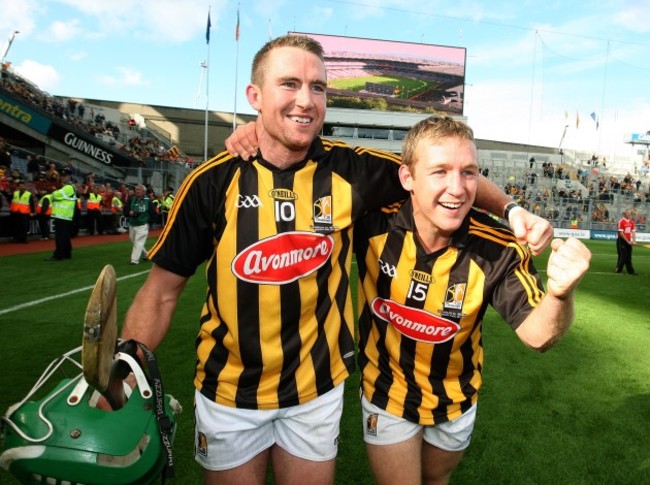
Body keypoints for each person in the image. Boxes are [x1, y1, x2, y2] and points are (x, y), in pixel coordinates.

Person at [118, 35, 553, 485]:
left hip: (317, 391)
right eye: (289, 84)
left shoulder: (353, 170)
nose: (306, 101)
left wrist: (512, 210)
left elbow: (445, 171)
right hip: (229, 391)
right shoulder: (210, 182)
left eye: (318, 87)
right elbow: (161, 295)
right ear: (255, 96)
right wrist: (126, 370)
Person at [354, 116, 591, 484]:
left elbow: (537, 335)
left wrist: (560, 294)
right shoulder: (371, 222)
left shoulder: (498, 249)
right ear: (408, 179)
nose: (457, 188)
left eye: (468, 173)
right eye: (440, 172)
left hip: (456, 400)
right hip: (386, 393)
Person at [46, 168, 76, 260]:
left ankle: (59, 255)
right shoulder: (67, 187)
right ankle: (67, 253)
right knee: (65, 236)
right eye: (62, 176)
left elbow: (56, 195)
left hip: (63, 215)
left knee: (60, 237)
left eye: (65, 176)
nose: (63, 178)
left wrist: (54, 193)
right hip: (64, 215)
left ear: (69, 177)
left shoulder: (68, 187)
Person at [125, 184, 153, 264]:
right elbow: (126, 209)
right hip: (132, 224)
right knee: (134, 241)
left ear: (144, 192)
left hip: (143, 225)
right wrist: (128, 212)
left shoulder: (148, 200)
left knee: (139, 242)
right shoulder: (131, 198)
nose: (137, 191)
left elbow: (153, 213)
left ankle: (134, 260)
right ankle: (147, 254)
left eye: (139, 190)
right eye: (136, 189)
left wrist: (149, 222)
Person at [615, 209, 636, 275]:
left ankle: (631, 271)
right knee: (623, 256)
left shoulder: (631, 222)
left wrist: (634, 240)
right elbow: (621, 233)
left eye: (630, 213)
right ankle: (618, 269)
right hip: (622, 240)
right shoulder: (621, 221)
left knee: (629, 256)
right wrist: (627, 241)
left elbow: (633, 231)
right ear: (624, 214)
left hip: (629, 240)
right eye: (628, 213)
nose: (630, 215)